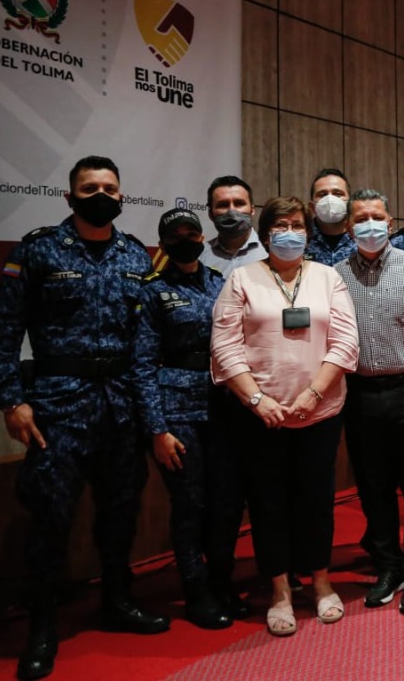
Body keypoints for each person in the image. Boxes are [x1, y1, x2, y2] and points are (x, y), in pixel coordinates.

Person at [0, 157, 171, 681]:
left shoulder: (137, 255)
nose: (101, 194)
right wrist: (10, 400)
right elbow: (3, 334)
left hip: (121, 402)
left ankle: (117, 600)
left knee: (120, 512)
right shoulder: (39, 249)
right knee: (49, 518)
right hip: (57, 404)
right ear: (70, 198)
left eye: (110, 188)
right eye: (90, 188)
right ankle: (42, 626)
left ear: (122, 196)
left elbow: (146, 340)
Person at [210, 196, 360, 636]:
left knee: (316, 500)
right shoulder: (241, 278)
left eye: (297, 225)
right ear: (266, 232)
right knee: (267, 503)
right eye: (280, 225)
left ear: (308, 233)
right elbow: (224, 346)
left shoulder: (328, 277)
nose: (289, 232)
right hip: (261, 416)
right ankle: (278, 589)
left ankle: (320, 581)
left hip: (320, 411)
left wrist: (314, 394)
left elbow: (347, 342)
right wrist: (258, 400)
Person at [334, 189, 404, 615]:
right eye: (360, 218)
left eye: (377, 216)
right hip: (360, 394)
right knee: (373, 487)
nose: (369, 224)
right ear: (349, 227)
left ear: (390, 220)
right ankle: (388, 565)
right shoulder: (334, 274)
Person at [133, 209, 238, 631]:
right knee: (191, 504)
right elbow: (141, 364)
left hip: (226, 406)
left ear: (201, 236)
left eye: (190, 232)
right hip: (178, 410)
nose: (184, 239)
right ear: (162, 242)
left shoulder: (219, 282)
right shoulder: (152, 290)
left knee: (227, 504)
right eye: (174, 235)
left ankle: (223, 583)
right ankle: (197, 591)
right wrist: (157, 429)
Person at [200, 175, 267, 275]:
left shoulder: (270, 252)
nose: (232, 211)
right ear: (211, 214)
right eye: (223, 205)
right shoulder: (200, 257)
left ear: (252, 210)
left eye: (239, 203)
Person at [305, 168, 357, 266]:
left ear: (350, 203)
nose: (330, 199)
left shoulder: (362, 237)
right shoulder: (300, 238)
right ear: (312, 206)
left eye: (338, 194)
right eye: (322, 194)